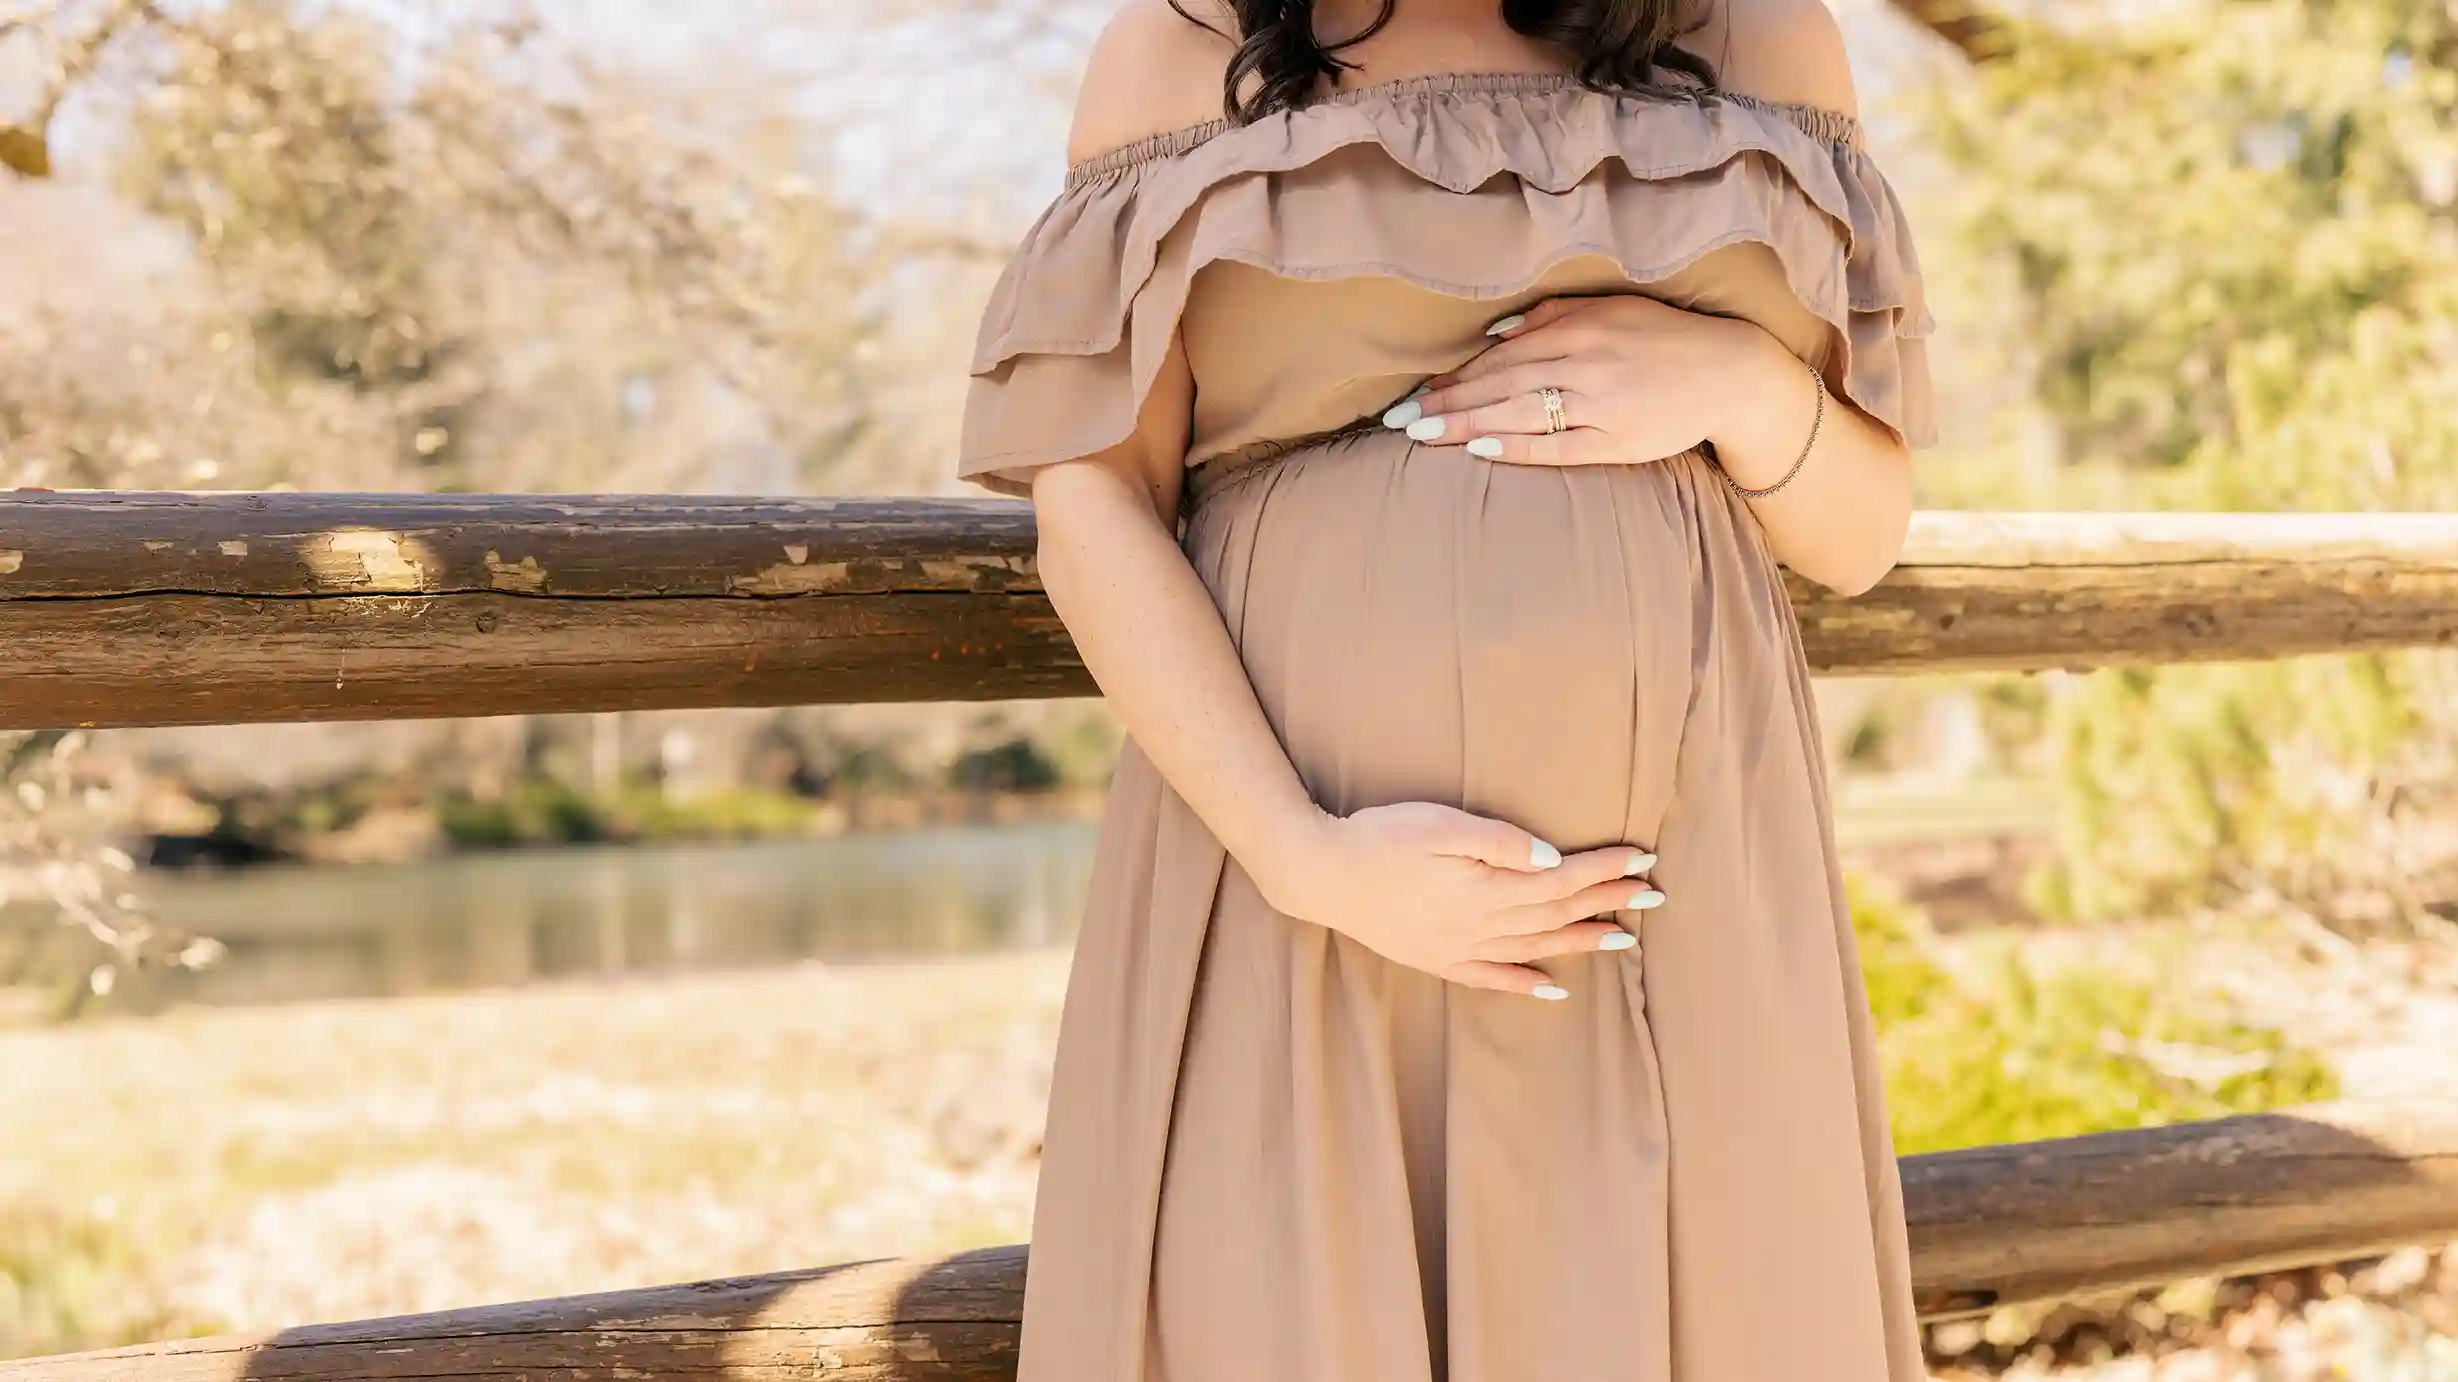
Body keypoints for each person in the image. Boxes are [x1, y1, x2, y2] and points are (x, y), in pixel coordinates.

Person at [957, 0, 1937, 1377]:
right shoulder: (1176, 50)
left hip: (1686, 888)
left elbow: (1860, 530)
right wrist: (1303, 854)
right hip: (1303, 885)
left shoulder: (1758, 38)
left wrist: (1739, 382)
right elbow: (1096, 508)